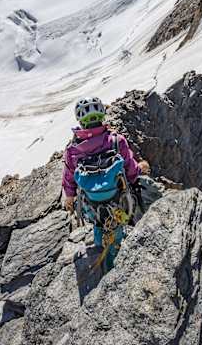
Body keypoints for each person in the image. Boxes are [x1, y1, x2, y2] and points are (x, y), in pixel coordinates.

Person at [62, 97, 147, 264]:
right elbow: (130, 169)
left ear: (80, 120)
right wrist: (140, 169)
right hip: (117, 199)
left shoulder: (73, 150)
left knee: (99, 222)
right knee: (118, 222)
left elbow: (69, 176)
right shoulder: (116, 141)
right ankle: (119, 253)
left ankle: (100, 244)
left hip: (91, 204)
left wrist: (69, 197)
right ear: (102, 115)